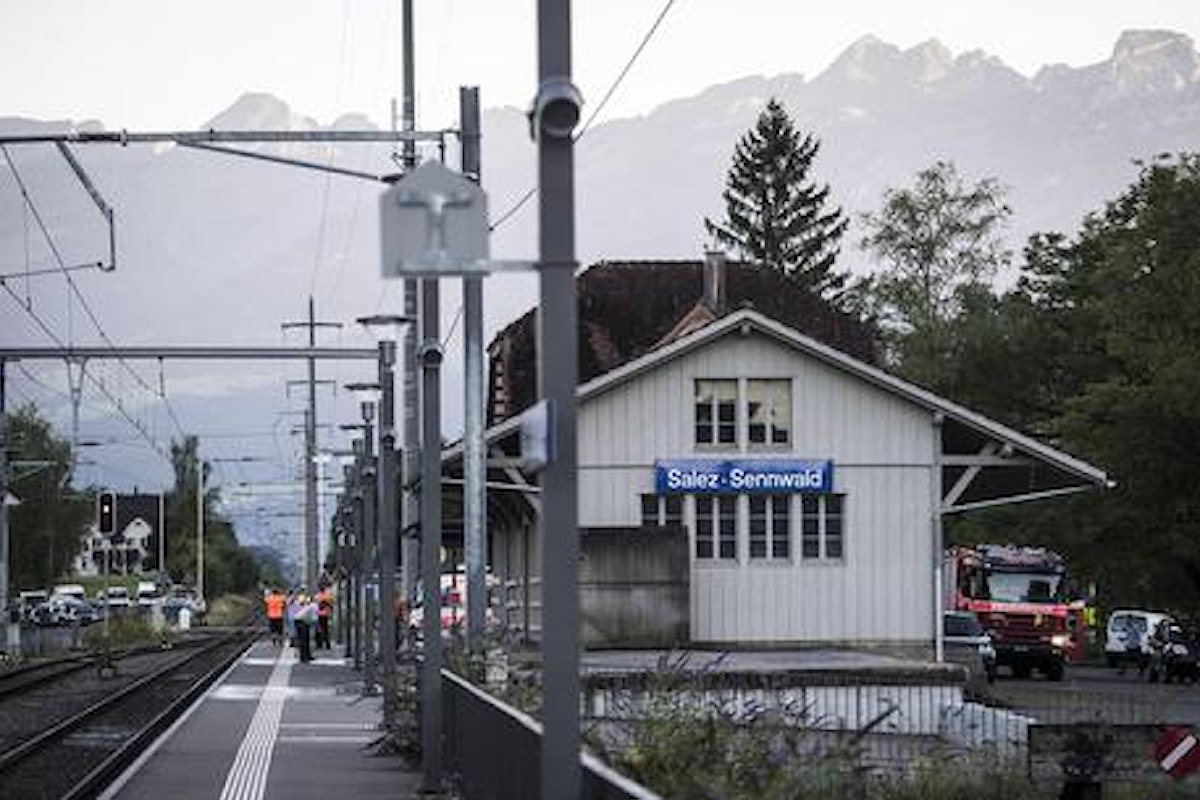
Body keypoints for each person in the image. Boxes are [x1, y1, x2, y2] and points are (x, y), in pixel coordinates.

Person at [293, 592, 318, 663]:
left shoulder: (307, 604)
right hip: (302, 621)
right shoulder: (313, 606)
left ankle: (307, 656)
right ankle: (304, 657)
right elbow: (314, 617)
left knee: (305, 639)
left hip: (301, 621)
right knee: (304, 639)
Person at [315, 585, 334, 649]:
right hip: (321, 614)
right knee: (322, 630)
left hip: (323, 615)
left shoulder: (320, 595)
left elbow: (331, 603)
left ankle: (324, 644)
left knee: (323, 630)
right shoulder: (324, 595)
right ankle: (322, 644)